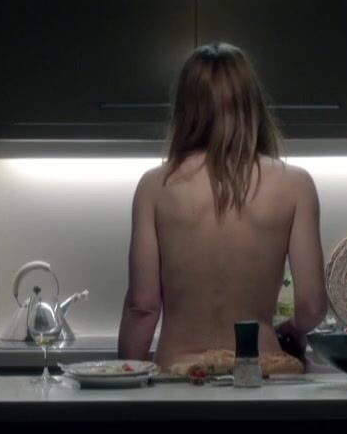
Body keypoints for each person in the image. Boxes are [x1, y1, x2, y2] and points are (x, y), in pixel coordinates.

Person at [117, 43, 329, 369]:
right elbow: (312, 307)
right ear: (252, 104)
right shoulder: (295, 184)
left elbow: (142, 306)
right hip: (262, 370)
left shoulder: (155, 186)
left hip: (182, 372)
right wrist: (290, 329)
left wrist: (123, 377)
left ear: (185, 108)